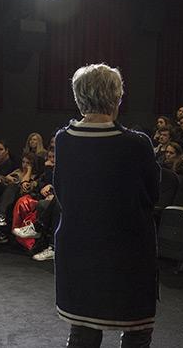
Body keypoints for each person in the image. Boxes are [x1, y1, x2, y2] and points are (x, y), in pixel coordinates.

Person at [53, 63, 159, 347]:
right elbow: (152, 196)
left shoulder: (63, 140)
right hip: (128, 254)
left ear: (79, 98)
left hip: (77, 249)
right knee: (136, 331)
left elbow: (61, 192)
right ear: (117, 97)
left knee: (82, 332)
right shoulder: (138, 144)